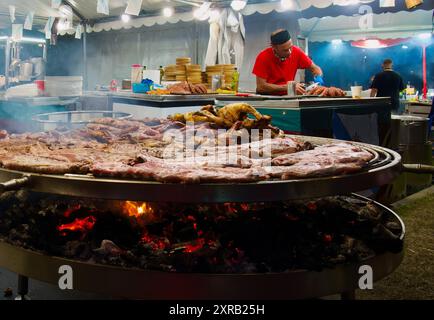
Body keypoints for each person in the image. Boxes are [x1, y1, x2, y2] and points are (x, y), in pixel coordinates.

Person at [252, 29, 323, 95]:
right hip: (268, 99)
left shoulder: (296, 52)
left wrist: (319, 79)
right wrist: (288, 87)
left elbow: (315, 68)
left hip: (288, 97)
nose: (290, 52)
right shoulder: (263, 57)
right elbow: (261, 87)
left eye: (291, 47)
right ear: (274, 47)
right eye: (285, 50)